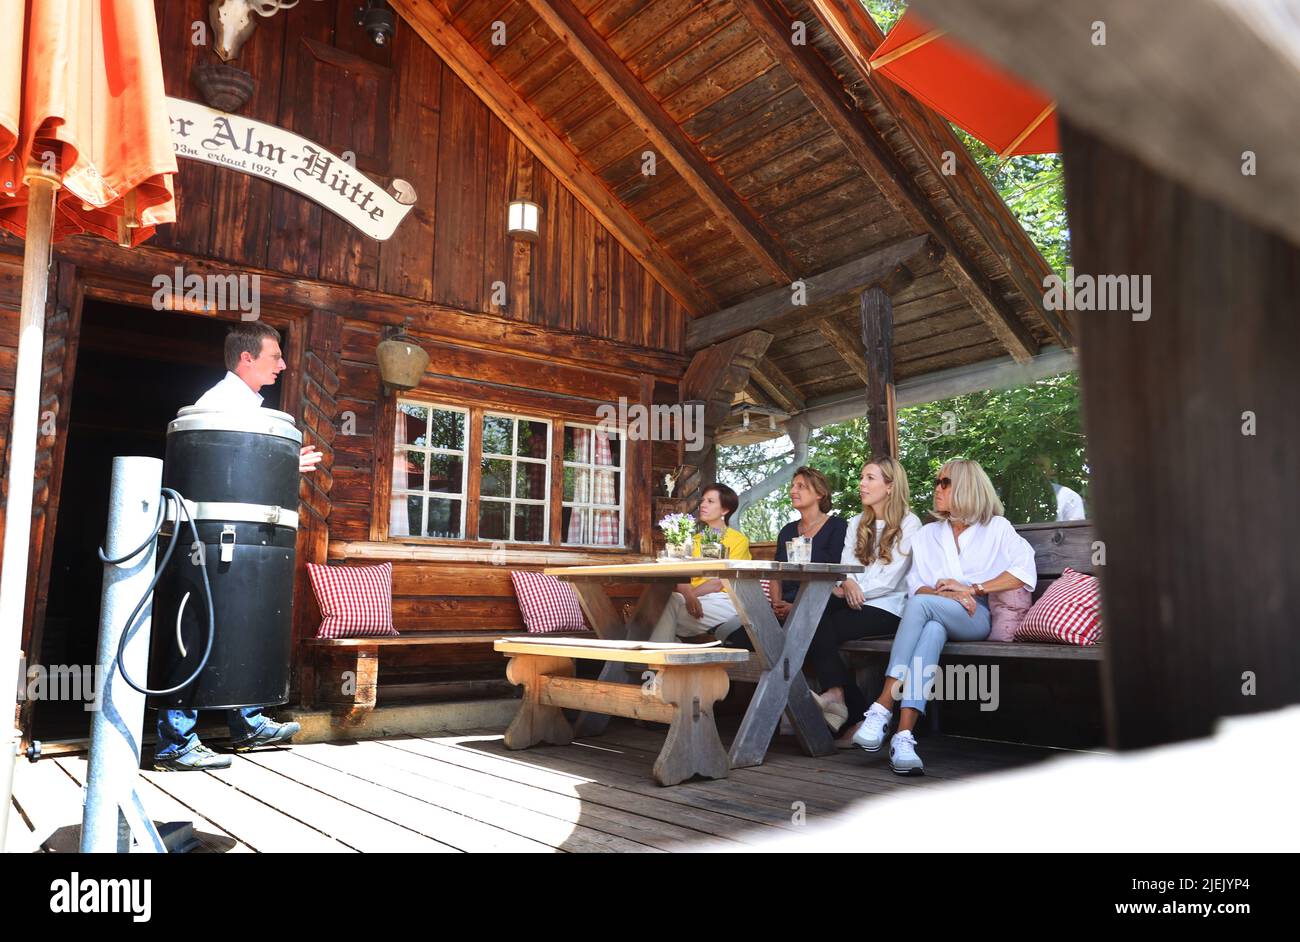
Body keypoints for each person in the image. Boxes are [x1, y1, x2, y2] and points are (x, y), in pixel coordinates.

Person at [154, 322, 322, 771]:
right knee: (197, 626)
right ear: (246, 359)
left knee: (239, 618)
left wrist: (283, 465)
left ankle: (245, 720)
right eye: (275, 356)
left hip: (242, 539)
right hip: (205, 541)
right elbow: (215, 475)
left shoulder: (248, 408)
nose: (283, 365)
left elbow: (242, 478)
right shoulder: (217, 407)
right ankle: (175, 741)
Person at [852, 458, 1036, 776]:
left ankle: (882, 706)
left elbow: (1023, 571)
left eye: (944, 482)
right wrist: (947, 594)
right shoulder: (928, 534)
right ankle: (904, 736)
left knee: (924, 610)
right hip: (935, 612)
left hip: (974, 617)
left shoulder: (996, 527)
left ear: (966, 486)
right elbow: (917, 588)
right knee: (932, 628)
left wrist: (973, 589)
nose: (937, 488)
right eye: (937, 482)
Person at [805, 457, 921, 742]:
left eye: (870, 478)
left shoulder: (909, 522)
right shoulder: (857, 521)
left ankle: (846, 705)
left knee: (821, 626)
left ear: (890, 486)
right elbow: (844, 566)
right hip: (852, 598)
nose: (862, 483)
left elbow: (892, 579)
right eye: (862, 477)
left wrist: (856, 589)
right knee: (808, 616)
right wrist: (847, 582)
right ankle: (842, 700)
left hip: (888, 607)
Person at [648, 483, 751, 644]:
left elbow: (719, 582)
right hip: (691, 599)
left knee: (658, 615)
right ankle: (669, 656)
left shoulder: (738, 541)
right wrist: (688, 596)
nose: (703, 505)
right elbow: (681, 574)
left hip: (725, 601)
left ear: (725, 510)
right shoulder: (693, 540)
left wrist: (690, 596)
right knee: (667, 603)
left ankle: (658, 663)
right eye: (703, 501)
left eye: (710, 502)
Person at [767, 467, 848, 623]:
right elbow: (775, 574)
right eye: (792, 486)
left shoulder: (837, 526)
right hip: (785, 602)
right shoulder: (787, 530)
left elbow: (838, 573)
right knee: (743, 634)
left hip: (822, 602)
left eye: (800, 486)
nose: (792, 491)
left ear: (819, 493)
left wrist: (796, 607)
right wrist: (777, 604)